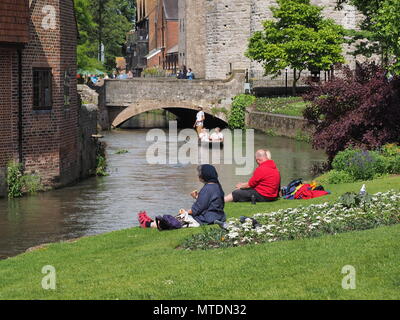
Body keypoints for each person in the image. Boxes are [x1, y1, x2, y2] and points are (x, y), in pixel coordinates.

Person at [138, 164, 226, 229]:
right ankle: (152, 222)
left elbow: (197, 209)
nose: (198, 175)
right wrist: (197, 198)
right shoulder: (216, 186)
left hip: (206, 219)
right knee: (178, 217)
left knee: (176, 219)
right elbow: (209, 204)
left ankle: (148, 224)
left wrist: (185, 213)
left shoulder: (208, 188)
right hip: (217, 217)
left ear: (205, 175)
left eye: (200, 173)